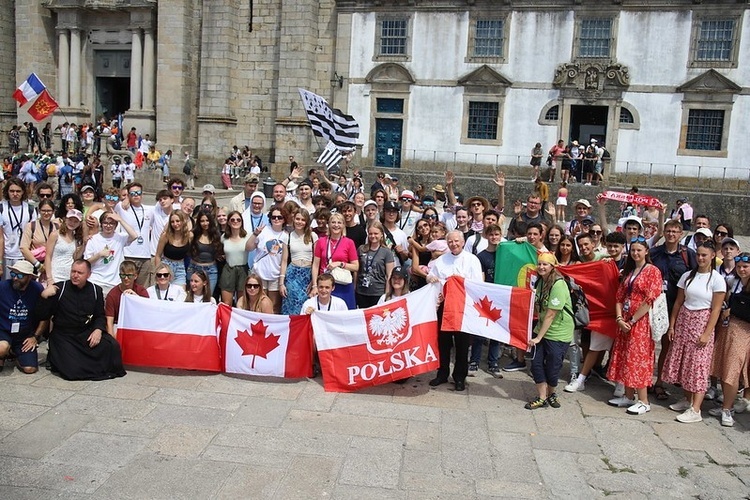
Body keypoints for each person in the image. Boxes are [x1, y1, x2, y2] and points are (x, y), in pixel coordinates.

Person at [662, 241, 725, 423]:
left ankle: (696, 409)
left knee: (698, 364)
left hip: (702, 321)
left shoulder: (716, 279)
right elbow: (679, 302)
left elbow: (716, 309)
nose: (700, 258)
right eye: (698, 254)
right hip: (684, 320)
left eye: (704, 255)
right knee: (684, 361)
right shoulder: (688, 276)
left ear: (713, 255)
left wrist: (707, 333)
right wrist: (672, 325)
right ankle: (687, 399)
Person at [40, 259, 126, 380]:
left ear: (88, 275)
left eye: (80, 273)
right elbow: (43, 315)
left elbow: (100, 315)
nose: (75, 275)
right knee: (72, 370)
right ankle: (56, 358)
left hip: (86, 332)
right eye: (73, 272)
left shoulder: (96, 291)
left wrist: (98, 330)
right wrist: (44, 297)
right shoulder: (60, 288)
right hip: (64, 335)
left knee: (111, 346)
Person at [607, 237, 663, 415]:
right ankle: (628, 395)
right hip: (624, 320)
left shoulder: (652, 271)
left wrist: (631, 320)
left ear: (646, 251)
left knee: (638, 358)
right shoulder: (630, 271)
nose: (636, 253)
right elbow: (619, 297)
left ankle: (644, 400)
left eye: (639, 250)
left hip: (640, 322)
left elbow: (650, 300)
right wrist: (618, 318)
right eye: (633, 250)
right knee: (625, 357)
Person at [426, 230, 482, 391]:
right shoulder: (442, 260)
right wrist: (430, 278)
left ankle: (459, 377)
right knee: (443, 343)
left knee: (462, 344)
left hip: (463, 307)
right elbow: (431, 276)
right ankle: (442, 373)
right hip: (444, 306)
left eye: (456, 241)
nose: (454, 244)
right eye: (450, 241)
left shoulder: (472, 260)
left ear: (463, 242)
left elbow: (477, 284)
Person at [524, 253, 574, 409]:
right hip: (542, 329)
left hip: (558, 332)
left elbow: (551, 313)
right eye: (539, 264)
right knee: (536, 363)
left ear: (553, 266)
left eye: (545, 264)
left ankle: (552, 393)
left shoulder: (558, 284)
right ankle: (542, 397)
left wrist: (538, 337)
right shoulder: (540, 282)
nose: (541, 267)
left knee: (553, 365)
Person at [710, 252, 750, 427]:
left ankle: (728, 409)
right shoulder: (734, 283)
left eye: (745, 267)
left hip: (743, 331)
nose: (741, 269)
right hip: (728, 329)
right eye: (739, 266)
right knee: (724, 367)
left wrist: (733, 311)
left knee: (733, 370)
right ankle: (728, 403)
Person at [469, 224, 504, 377]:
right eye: (491, 235)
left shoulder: (506, 253)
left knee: (497, 332)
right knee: (480, 331)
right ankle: (474, 360)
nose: (494, 237)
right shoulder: (481, 256)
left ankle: (493, 362)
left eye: (497, 234)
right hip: (486, 297)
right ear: (486, 236)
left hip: (501, 297)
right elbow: (480, 278)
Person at [0, 261, 47, 373]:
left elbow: (44, 316)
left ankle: (13, 353)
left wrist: (35, 337)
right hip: (4, 330)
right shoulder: (3, 287)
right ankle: (3, 354)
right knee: (2, 348)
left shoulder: (37, 289)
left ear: (29, 277)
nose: (15, 278)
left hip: (24, 334)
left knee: (30, 369)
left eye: (20, 275)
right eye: (13, 274)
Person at [84, 211, 139, 297]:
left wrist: (120, 219)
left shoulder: (120, 238)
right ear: (101, 224)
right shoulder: (93, 239)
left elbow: (134, 235)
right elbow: (86, 262)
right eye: (105, 223)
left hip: (115, 283)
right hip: (96, 281)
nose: (108, 226)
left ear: (115, 225)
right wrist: (99, 255)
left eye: (112, 223)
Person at [311, 212, 359, 309]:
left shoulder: (349, 242)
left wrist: (340, 264)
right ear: (329, 224)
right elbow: (315, 265)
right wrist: (315, 285)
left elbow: (356, 267)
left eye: (339, 223)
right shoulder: (321, 241)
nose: (336, 225)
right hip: (325, 285)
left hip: (342, 284)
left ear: (343, 225)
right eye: (333, 222)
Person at [248, 207, 286, 312]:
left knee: (274, 306)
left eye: (280, 217)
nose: (276, 219)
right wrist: (255, 234)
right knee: (259, 304)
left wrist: (281, 279)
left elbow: (284, 260)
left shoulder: (286, 236)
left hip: (275, 274)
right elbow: (248, 247)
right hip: (260, 273)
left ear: (284, 219)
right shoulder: (263, 231)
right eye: (274, 217)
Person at [280, 209, 317, 315]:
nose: (299, 222)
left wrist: (314, 283)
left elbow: (316, 262)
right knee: (292, 305)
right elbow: (284, 261)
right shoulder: (287, 236)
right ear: (293, 219)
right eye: (297, 219)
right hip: (292, 275)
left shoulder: (313, 236)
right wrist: (281, 283)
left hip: (307, 274)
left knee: (306, 306)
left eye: (303, 220)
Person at [1, 178, 37, 278]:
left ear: (23, 192)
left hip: (23, 255)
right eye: (12, 191)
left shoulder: (29, 209)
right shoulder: (1, 208)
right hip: (5, 255)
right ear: (7, 192)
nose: (15, 194)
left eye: (18, 191)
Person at [104, 260, 149, 338]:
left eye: (129, 275)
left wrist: (136, 297)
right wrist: (111, 340)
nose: (126, 278)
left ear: (135, 276)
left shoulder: (141, 291)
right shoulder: (112, 294)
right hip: (118, 324)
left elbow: (147, 311)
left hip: (137, 324)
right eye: (123, 275)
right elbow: (109, 321)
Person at [356, 221, 395, 309]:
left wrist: (387, 294)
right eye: (370, 234)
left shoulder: (386, 252)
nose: (373, 236)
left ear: (381, 234)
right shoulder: (361, 249)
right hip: (361, 291)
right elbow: (357, 271)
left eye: (376, 233)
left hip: (378, 292)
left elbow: (389, 275)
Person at [219, 211, 253, 305]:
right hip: (228, 270)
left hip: (243, 270)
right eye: (232, 220)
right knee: (226, 303)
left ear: (242, 222)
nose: (235, 221)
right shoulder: (224, 237)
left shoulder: (248, 236)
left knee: (242, 303)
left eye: (238, 220)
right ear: (228, 222)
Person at [20, 199, 58, 279]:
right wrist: (38, 265)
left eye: (49, 211)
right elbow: (24, 248)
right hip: (35, 265)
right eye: (43, 210)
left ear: (53, 211)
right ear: (39, 211)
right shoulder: (31, 226)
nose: (46, 213)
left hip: (53, 265)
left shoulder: (57, 227)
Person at [187, 212, 223, 295]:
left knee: (208, 296)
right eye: (202, 221)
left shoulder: (216, 235)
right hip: (194, 268)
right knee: (192, 295)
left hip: (211, 270)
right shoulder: (193, 234)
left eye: (207, 220)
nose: (205, 223)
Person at [154, 210, 192, 288]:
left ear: (183, 221)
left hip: (180, 267)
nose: (175, 224)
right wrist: (158, 272)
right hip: (166, 266)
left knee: (181, 293)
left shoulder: (189, 236)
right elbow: (158, 255)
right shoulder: (165, 236)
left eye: (178, 221)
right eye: (172, 222)